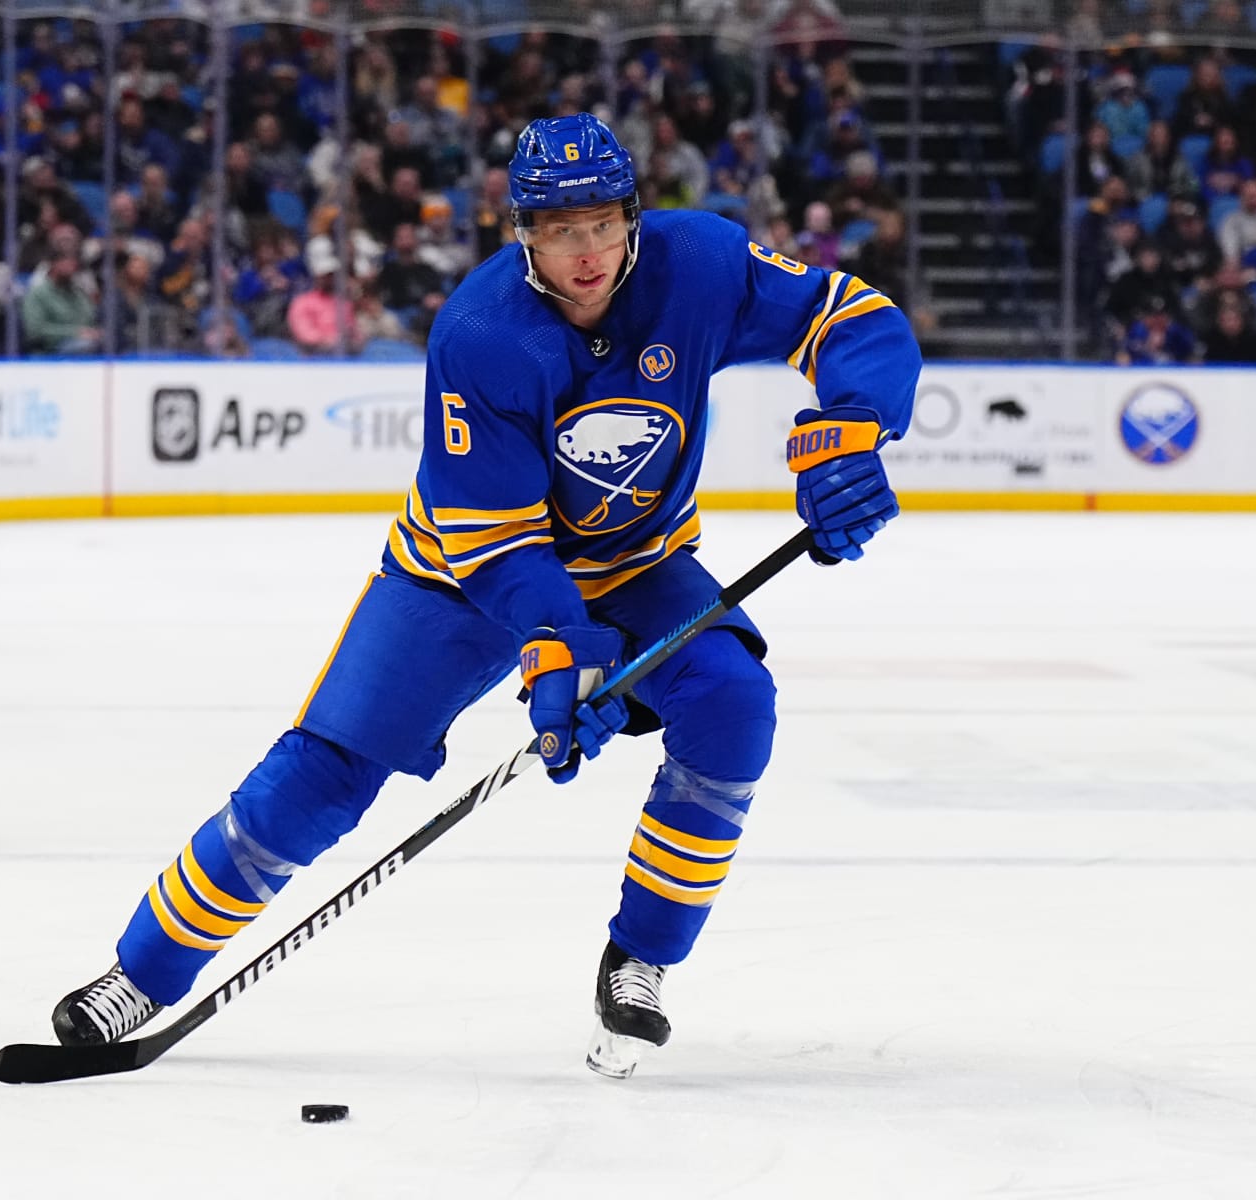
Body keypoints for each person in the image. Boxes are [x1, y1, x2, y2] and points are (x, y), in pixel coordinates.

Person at [49, 113, 918, 1077]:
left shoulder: (703, 262)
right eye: (559, 229)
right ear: (522, 232)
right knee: (320, 776)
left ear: (634, 216)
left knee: (732, 699)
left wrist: (853, 428)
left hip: (634, 559)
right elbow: (503, 546)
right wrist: (558, 655)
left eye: (603, 224)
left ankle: (640, 960)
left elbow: (852, 316)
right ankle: (143, 973)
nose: (586, 254)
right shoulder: (480, 332)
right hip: (457, 572)